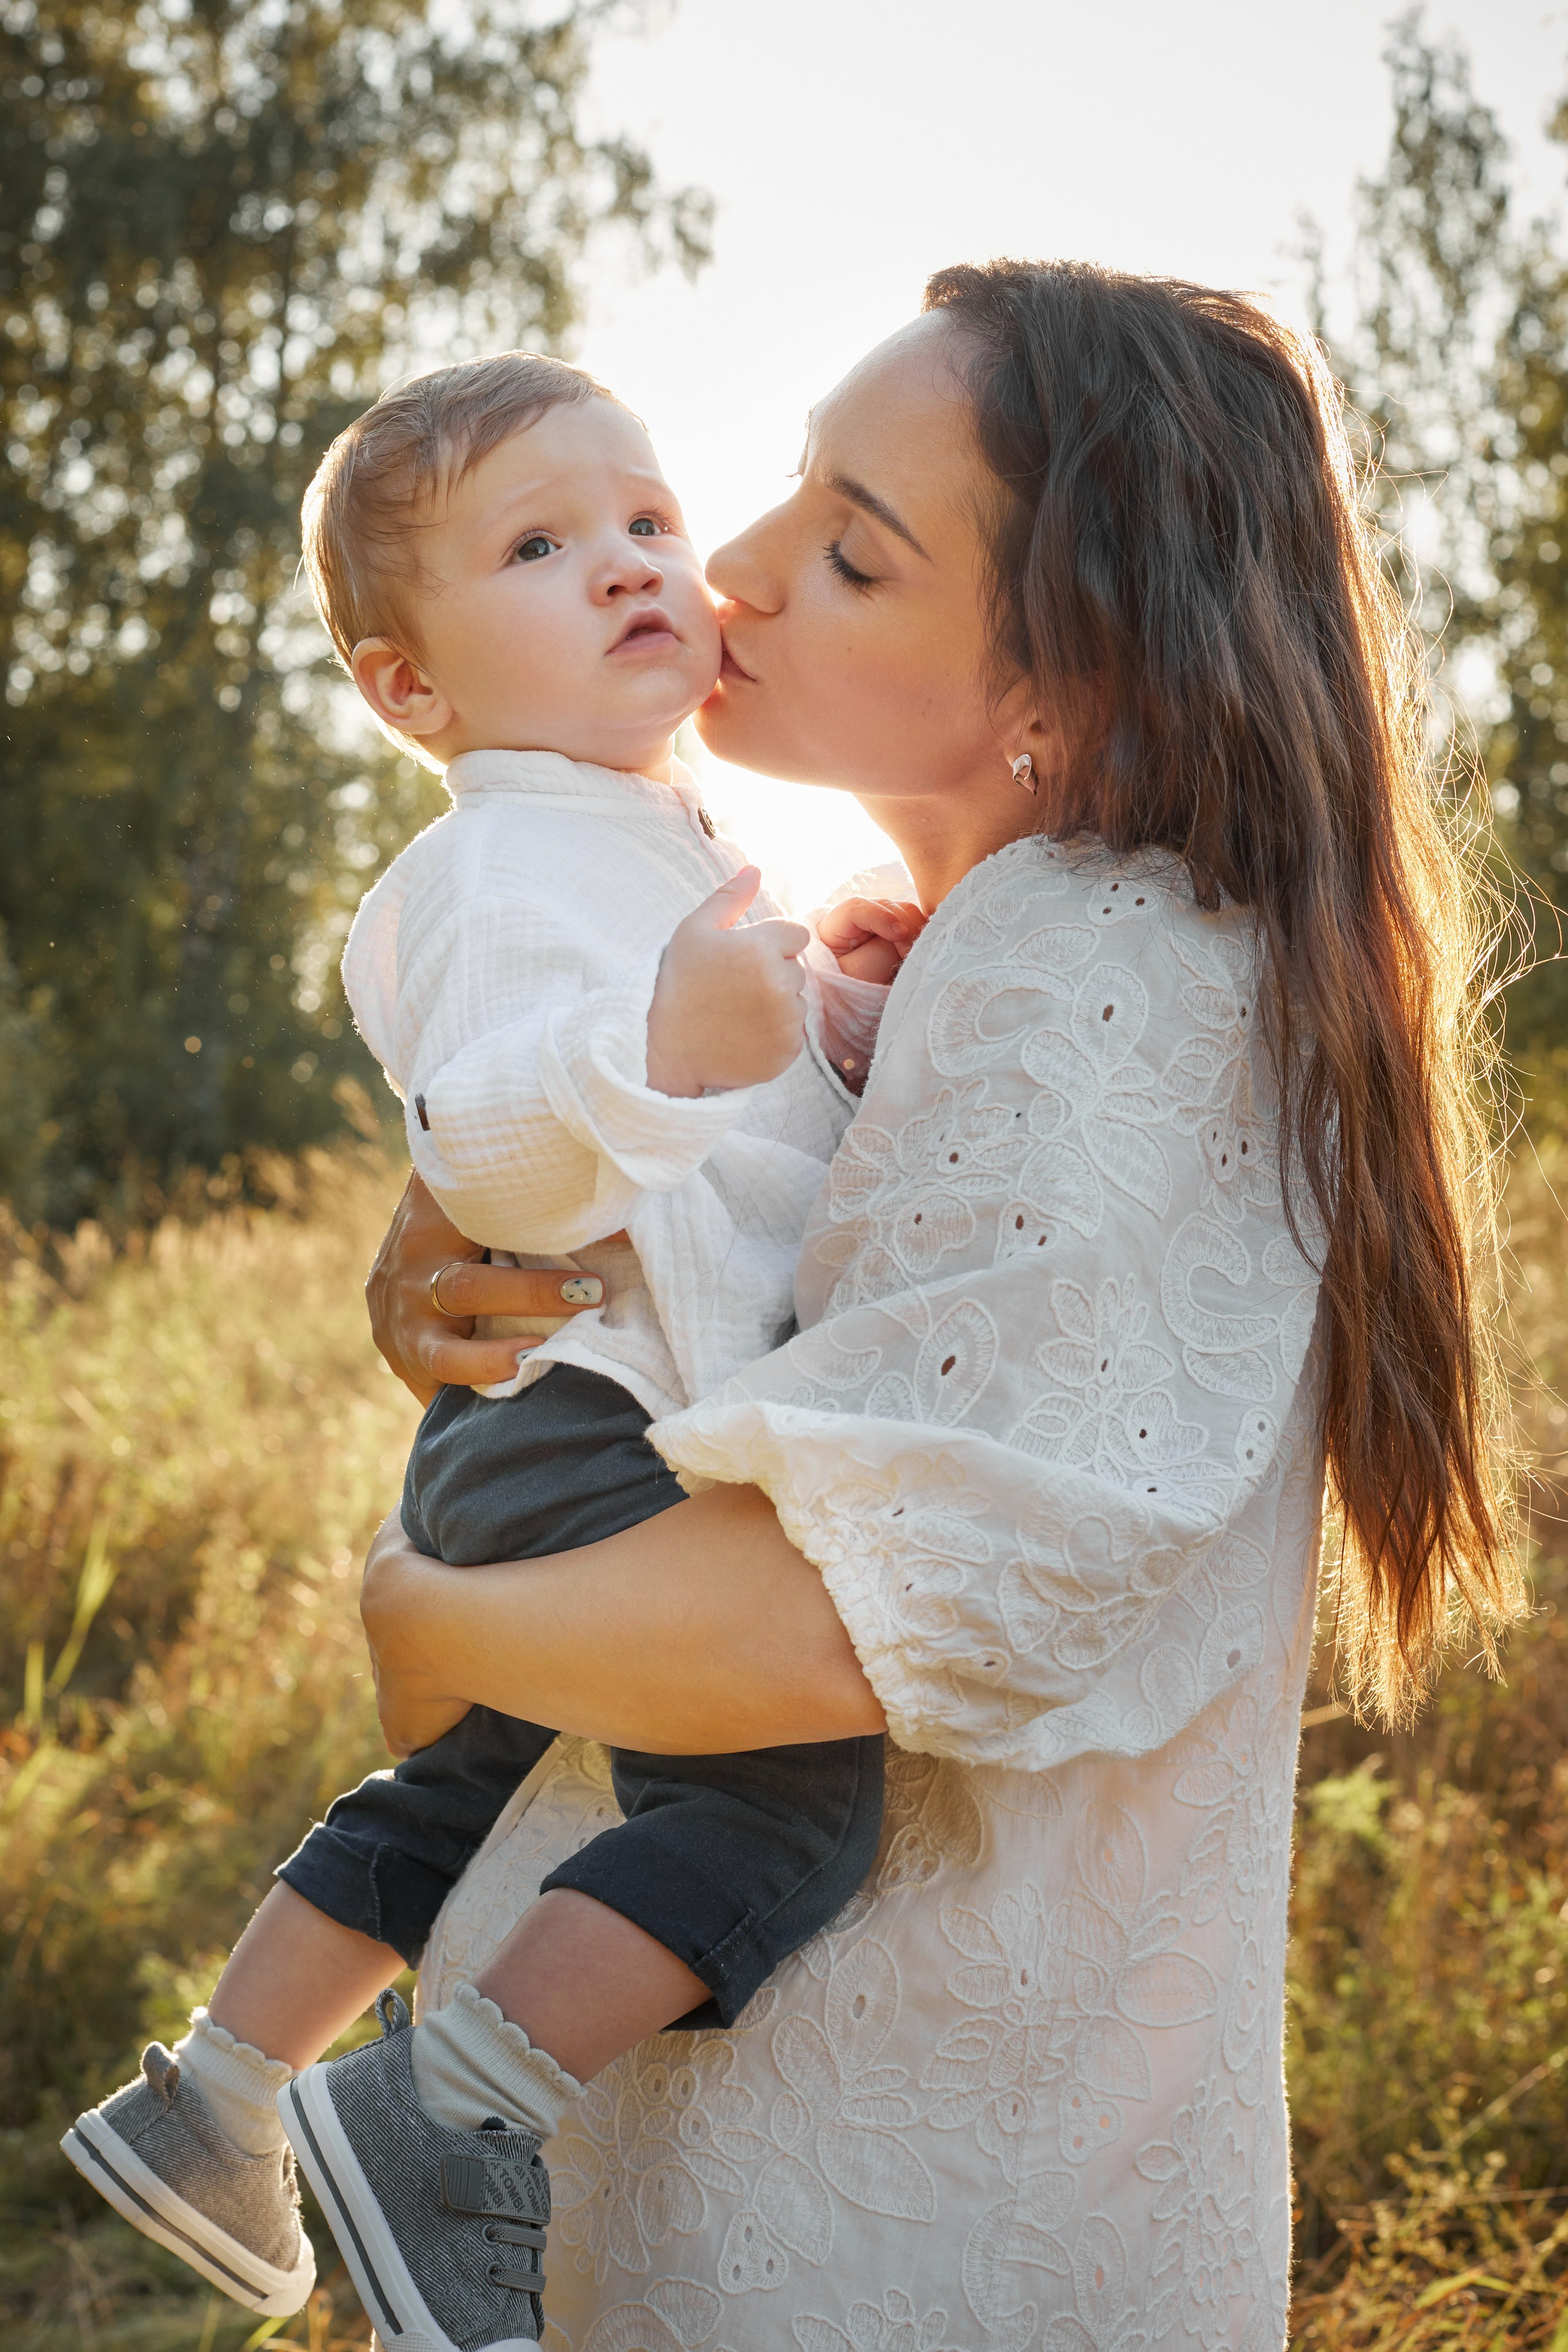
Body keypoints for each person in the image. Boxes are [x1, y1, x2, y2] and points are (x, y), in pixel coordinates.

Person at [356, 262, 1519, 2348]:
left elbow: (841, 1616)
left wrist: (422, 1610)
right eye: (790, 488)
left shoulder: (1092, 972)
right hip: (829, 2173)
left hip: (890, 2226)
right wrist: (469, 1217)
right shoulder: (985, 958)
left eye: (851, 550)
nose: (730, 567)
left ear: (1054, 701)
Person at [61, 352, 925, 2339]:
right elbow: (493, 1143)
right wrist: (665, 1047)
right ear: (410, 692)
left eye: (644, 521)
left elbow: (739, 1123)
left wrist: (829, 1021)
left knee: (460, 1791)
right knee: (782, 1805)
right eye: (540, 547)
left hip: (548, 1430)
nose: (631, 567)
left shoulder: (643, 834)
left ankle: (216, 2095)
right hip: (589, 1423)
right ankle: (456, 2117)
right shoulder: (501, 862)